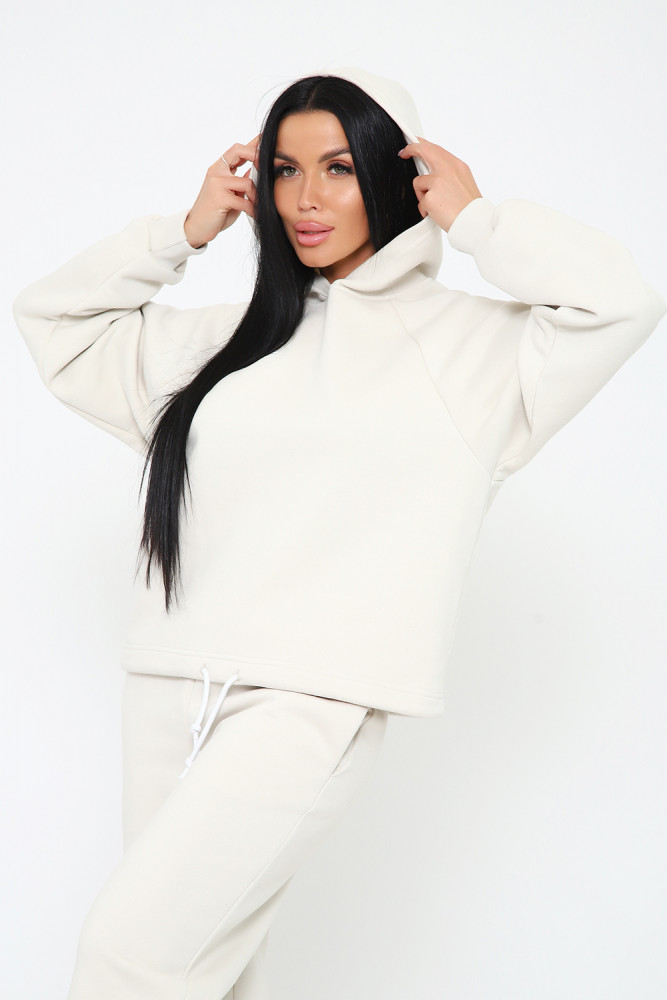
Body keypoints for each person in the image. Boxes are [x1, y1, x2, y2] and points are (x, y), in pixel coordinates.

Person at [13, 67, 665, 1000]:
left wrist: (477, 221)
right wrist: (181, 234)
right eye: (284, 169)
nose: (304, 199)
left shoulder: (471, 349)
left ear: (396, 174)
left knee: (126, 960)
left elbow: (619, 301)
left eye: (338, 168)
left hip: (308, 704)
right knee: (205, 976)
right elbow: (55, 320)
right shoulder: (220, 342)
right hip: (166, 689)